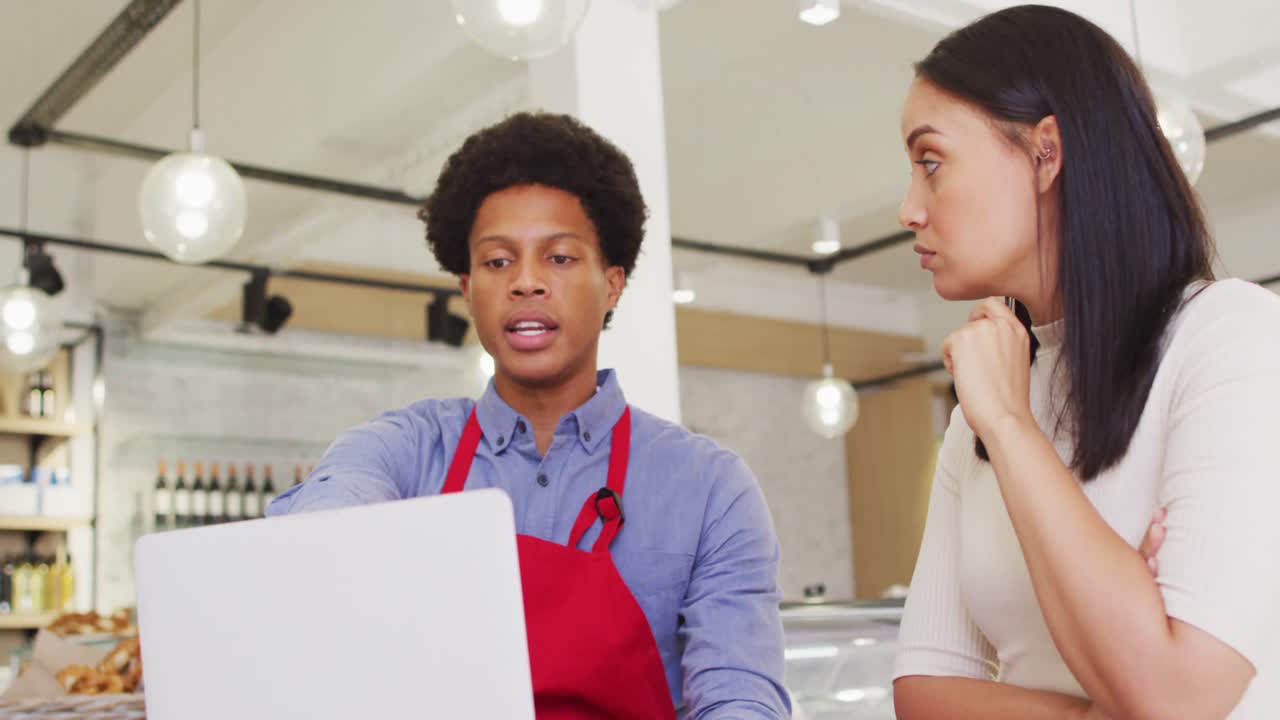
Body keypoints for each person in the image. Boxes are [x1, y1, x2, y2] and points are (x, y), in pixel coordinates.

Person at [267, 112, 790, 719]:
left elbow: (739, 697)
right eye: (497, 262)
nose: (526, 282)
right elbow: (316, 532)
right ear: (467, 289)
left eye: (561, 258)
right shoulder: (407, 451)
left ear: (613, 283)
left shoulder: (709, 489)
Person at [891, 5, 1280, 719]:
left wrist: (1013, 430)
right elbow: (922, 694)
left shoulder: (1232, 337)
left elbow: (1178, 699)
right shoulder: (983, 401)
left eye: (931, 162)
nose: (908, 208)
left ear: (1046, 152)